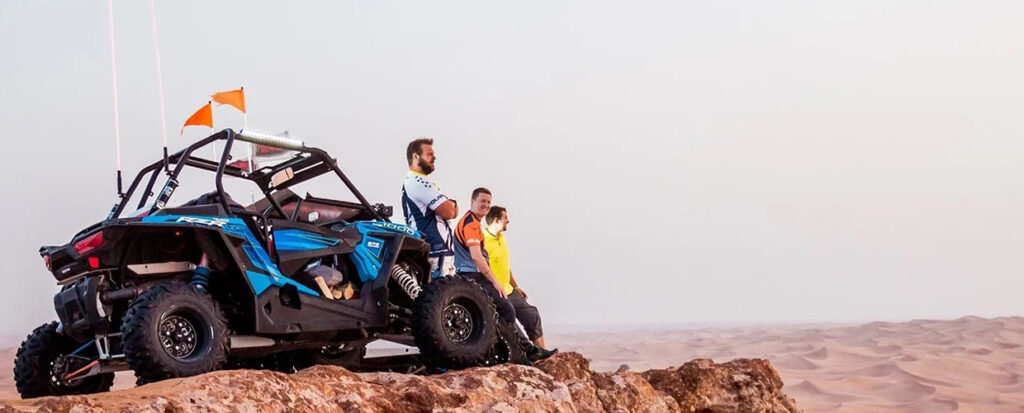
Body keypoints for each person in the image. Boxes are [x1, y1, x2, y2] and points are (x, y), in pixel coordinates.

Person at [454, 188, 556, 362]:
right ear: (472, 202)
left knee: (528, 314)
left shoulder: (483, 228)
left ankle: (534, 352)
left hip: (500, 285)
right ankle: (524, 353)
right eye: (482, 201)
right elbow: (477, 257)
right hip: (476, 277)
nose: (485, 205)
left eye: (488, 202)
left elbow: (504, 265)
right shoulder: (471, 225)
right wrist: (495, 282)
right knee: (506, 312)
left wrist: (514, 286)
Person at [482, 206, 549, 349]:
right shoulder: (483, 240)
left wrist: (515, 286)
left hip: (509, 290)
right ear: (497, 220)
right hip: (496, 292)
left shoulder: (501, 237)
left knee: (532, 314)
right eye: (505, 218)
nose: (508, 221)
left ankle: (543, 354)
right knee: (510, 325)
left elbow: (504, 265)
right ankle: (530, 355)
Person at [401, 137, 458, 278]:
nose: (434, 158)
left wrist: (450, 205)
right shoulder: (418, 182)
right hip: (435, 256)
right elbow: (450, 211)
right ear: (415, 156)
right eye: (429, 154)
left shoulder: (419, 181)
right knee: (440, 297)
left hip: (438, 255)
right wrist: (452, 204)